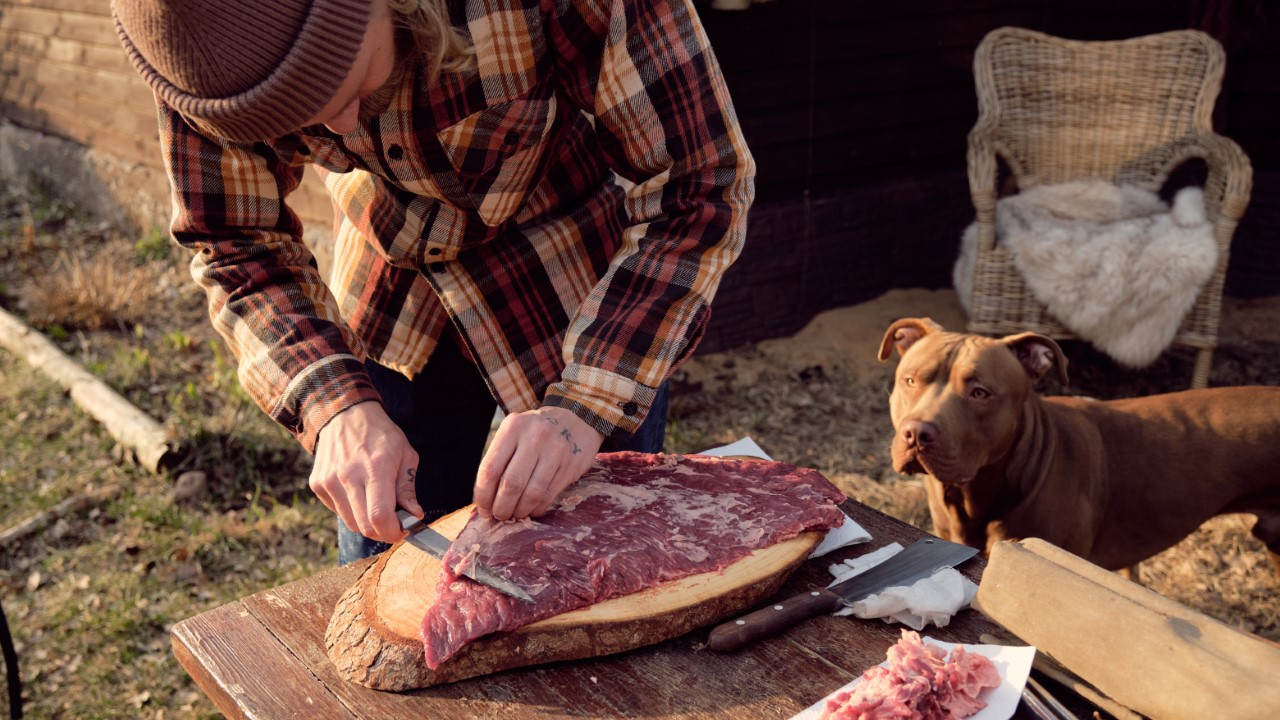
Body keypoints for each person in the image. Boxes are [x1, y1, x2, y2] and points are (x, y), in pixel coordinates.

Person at [110, 0, 755, 564]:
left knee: (602, 570)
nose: (338, 131)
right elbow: (234, 243)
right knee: (389, 580)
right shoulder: (190, 43)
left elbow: (700, 185)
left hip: (574, 285)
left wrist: (586, 404)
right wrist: (333, 406)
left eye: (343, 84)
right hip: (395, 302)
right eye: (296, 124)